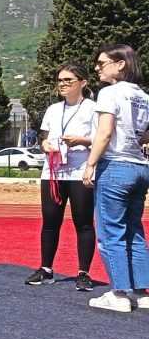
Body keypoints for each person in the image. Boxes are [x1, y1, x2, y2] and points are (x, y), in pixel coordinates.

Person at [82, 44, 149, 313]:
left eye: (102, 63)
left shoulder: (109, 93)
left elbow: (105, 132)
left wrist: (90, 164)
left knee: (111, 232)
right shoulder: (143, 96)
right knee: (135, 231)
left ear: (121, 64)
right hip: (140, 167)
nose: (97, 68)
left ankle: (119, 293)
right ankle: (142, 293)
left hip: (115, 166)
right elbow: (145, 135)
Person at [25, 63, 97, 290]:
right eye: (60, 80)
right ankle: (46, 269)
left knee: (83, 222)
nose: (63, 84)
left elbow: (102, 139)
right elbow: (44, 137)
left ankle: (83, 273)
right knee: (50, 221)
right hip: (53, 171)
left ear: (83, 83)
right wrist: (45, 145)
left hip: (80, 171)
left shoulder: (93, 108)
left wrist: (81, 140)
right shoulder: (53, 109)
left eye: (68, 80)